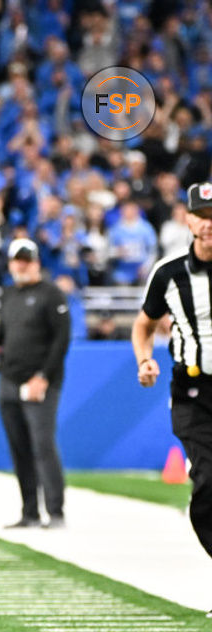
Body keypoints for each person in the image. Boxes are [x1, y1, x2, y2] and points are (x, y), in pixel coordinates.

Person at [132, 182, 212, 600]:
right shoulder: (170, 272)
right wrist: (144, 358)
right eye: (203, 215)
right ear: (188, 218)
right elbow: (144, 322)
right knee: (208, 483)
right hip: (194, 392)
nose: (209, 224)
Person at [0, 239, 71, 530]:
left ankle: (56, 512)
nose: (22, 265)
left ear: (36, 262)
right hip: (8, 379)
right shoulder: (9, 293)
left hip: (39, 382)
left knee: (43, 445)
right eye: (17, 260)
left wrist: (43, 376)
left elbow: (61, 340)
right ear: (11, 263)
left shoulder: (51, 294)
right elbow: (4, 330)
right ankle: (30, 512)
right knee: (19, 447)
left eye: (27, 260)